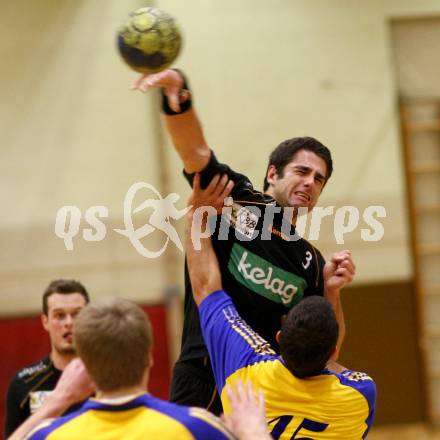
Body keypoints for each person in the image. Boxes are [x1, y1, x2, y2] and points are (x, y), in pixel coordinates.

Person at [132, 69, 356, 414]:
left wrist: (332, 291)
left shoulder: (308, 260)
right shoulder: (237, 199)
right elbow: (195, 153)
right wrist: (179, 98)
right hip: (202, 380)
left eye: (318, 179)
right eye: (301, 172)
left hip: (260, 394)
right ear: (272, 174)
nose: (310, 183)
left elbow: (328, 350)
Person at [185, 203, 376, 439]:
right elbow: (334, 363)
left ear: (279, 337)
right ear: (333, 350)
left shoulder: (248, 373)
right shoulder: (360, 396)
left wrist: (196, 215)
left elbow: (206, 289)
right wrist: (332, 292)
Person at [9, 298, 237, 440]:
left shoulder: (48, 434)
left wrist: (56, 401)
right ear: (149, 357)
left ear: (83, 367)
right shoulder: (199, 427)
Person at [4, 279, 89, 438]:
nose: (69, 323)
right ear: (45, 322)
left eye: (77, 314)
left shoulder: (107, 379)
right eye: (60, 315)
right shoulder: (23, 383)